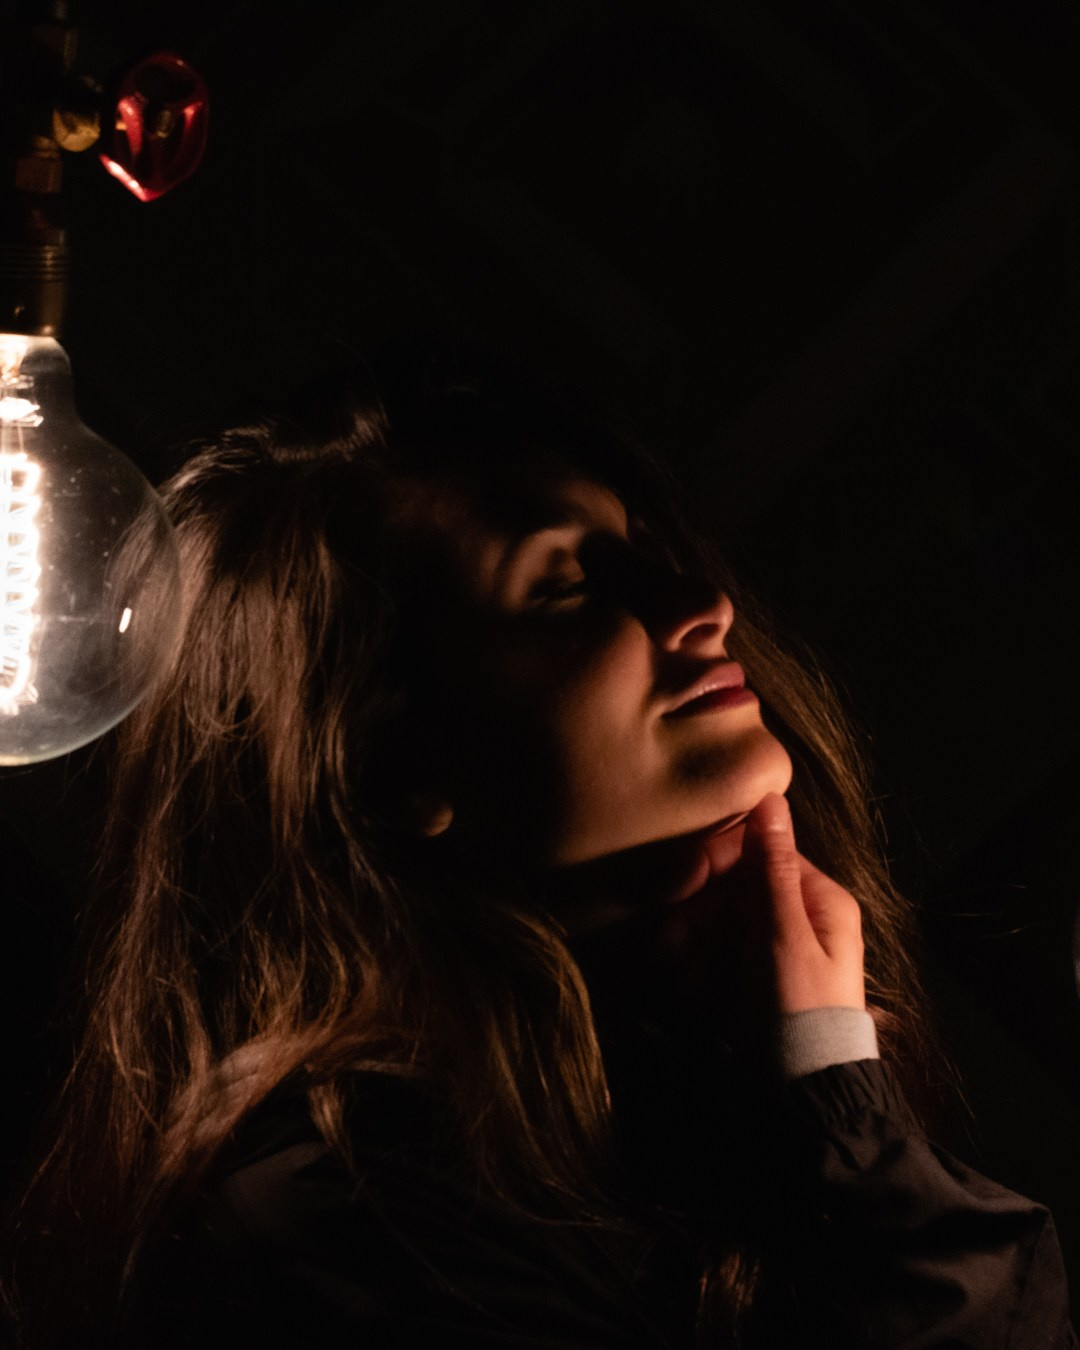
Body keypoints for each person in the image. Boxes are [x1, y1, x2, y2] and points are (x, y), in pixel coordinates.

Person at [3, 352, 1074, 1347]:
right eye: (564, 586)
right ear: (390, 760)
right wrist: (841, 1099)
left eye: (642, 554)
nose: (702, 605)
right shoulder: (344, 1231)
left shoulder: (688, 1083)